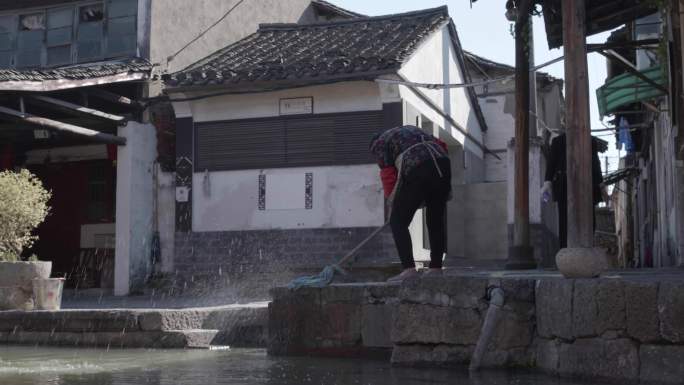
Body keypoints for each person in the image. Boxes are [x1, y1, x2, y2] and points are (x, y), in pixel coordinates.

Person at [369, 125, 451, 282]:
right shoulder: (410, 130)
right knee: (435, 221)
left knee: (398, 222)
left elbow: (388, 176)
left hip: (417, 166)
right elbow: (443, 145)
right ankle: (435, 268)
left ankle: (409, 269)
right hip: (443, 163)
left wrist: (391, 205)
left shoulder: (379, 144)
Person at [542, 133, 604, 249]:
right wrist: (547, 183)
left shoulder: (590, 141)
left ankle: (584, 246)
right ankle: (566, 248)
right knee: (566, 218)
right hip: (566, 185)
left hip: (586, 184)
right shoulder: (558, 141)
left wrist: (601, 184)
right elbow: (551, 164)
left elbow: (595, 163)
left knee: (585, 217)